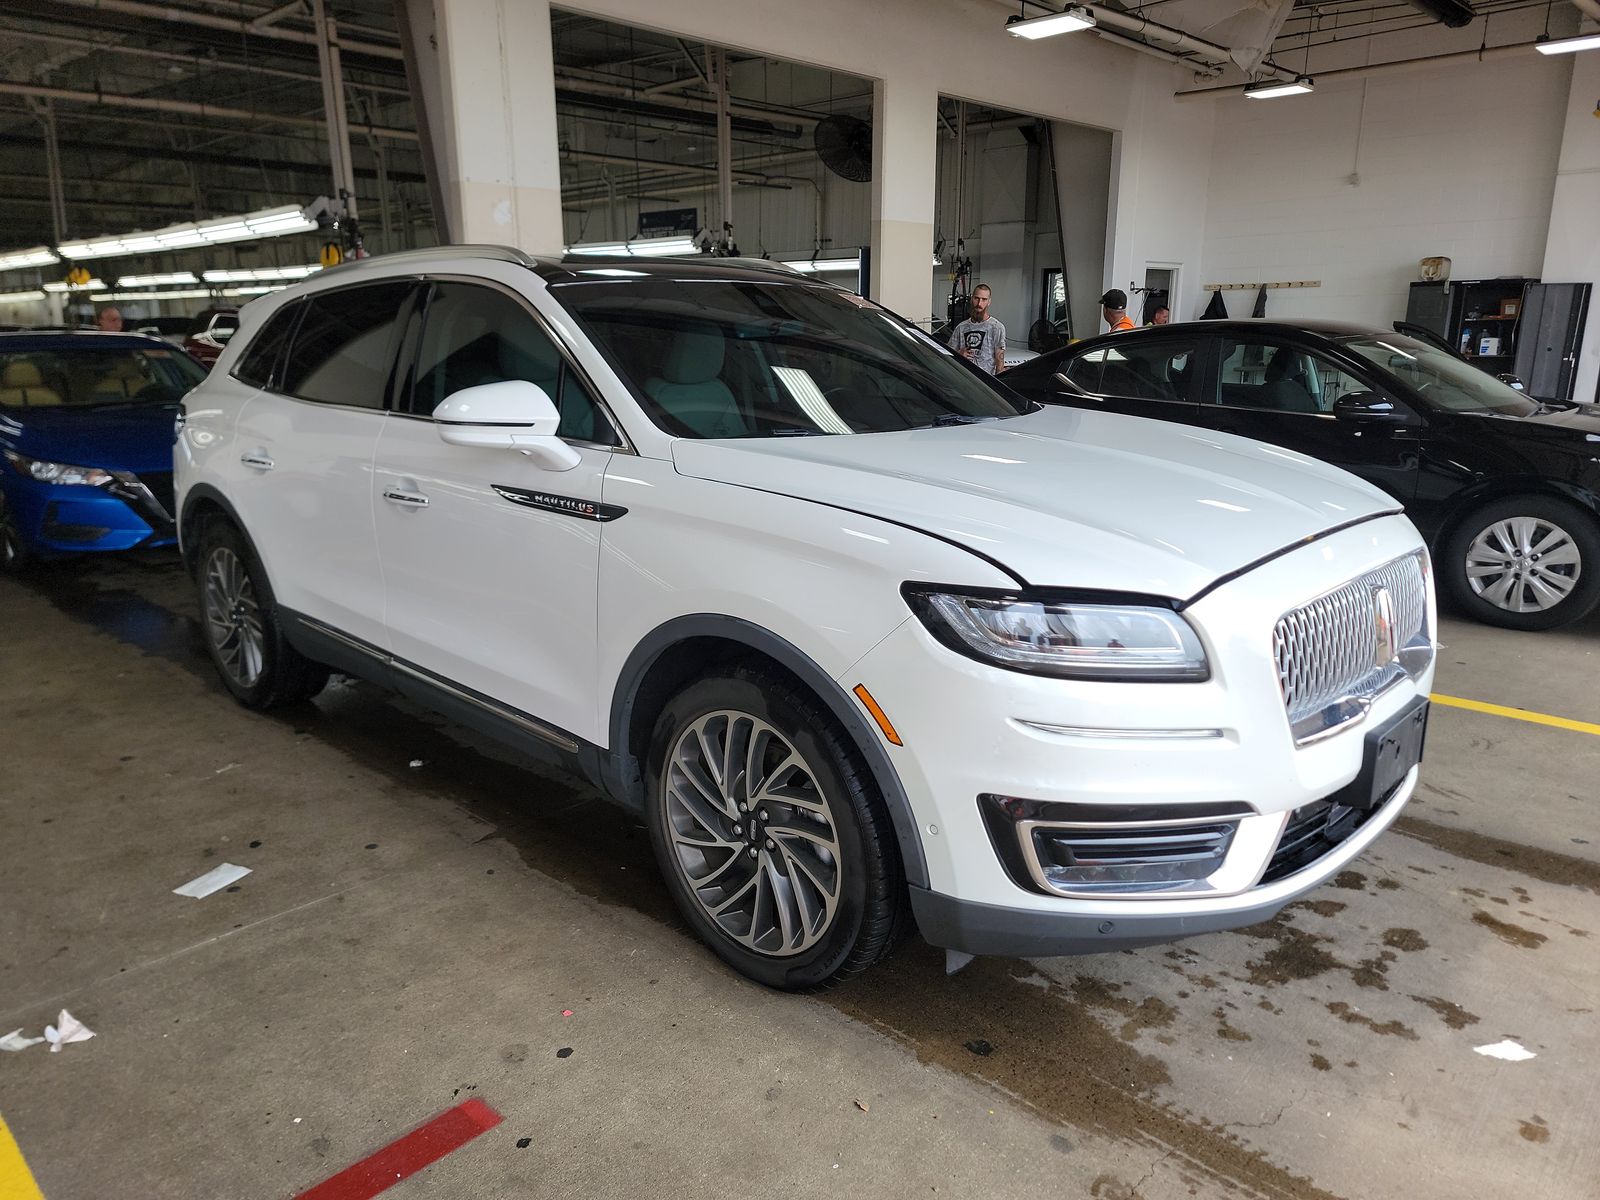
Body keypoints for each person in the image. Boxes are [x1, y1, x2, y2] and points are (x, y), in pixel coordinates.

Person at [948, 283, 1006, 375]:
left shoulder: (996, 327)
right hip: (964, 379)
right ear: (971, 299)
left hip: (985, 382)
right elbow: (948, 354)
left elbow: (999, 359)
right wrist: (958, 354)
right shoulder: (961, 328)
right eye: (977, 298)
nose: (979, 303)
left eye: (984, 299)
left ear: (989, 302)